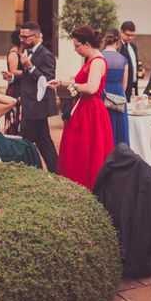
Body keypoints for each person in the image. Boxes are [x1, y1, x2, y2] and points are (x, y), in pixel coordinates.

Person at [48, 26, 114, 189]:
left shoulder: (97, 61)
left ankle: (85, 186)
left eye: (77, 46)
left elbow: (91, 87)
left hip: (90, 111)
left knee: (85, 152)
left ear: (86, 44)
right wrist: (64, 83)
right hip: (84, 108)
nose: (76, 49)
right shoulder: (91, 60)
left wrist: (72, 86)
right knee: (78, 150)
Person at [3, 22, 58, 173]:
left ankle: (20, 172)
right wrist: (12, 78)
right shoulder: (29, 52)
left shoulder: (46, 55)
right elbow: (28, 79)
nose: (21, 40)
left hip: (37, 105)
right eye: (21, 36)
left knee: (25, 142)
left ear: (36, 36)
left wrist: (30, 67)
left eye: (25, 37)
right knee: (44, 142)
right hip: (31, 105)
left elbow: (47, 81)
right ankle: (57, 171)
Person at [102, 28, 130, 146]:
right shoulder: (123, 60)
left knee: (103, 130)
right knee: (118, 131)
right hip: (118, 98)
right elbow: (124, 85)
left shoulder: (99, 57)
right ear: (118, 42)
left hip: (102, 96)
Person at [4, 30, 23, 135]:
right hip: (15, 89)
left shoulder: (21, 53)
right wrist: (28, 71)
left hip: (21, 87)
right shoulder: (13, 54)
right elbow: (13, 71)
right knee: (14, 115)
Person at [119, 21, 140, 100]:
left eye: (132, 35)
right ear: (121, 32)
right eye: (128, 35)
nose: (130, 38)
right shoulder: (118, 47)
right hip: (123, 86)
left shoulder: (133, 47)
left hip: (134, 85)